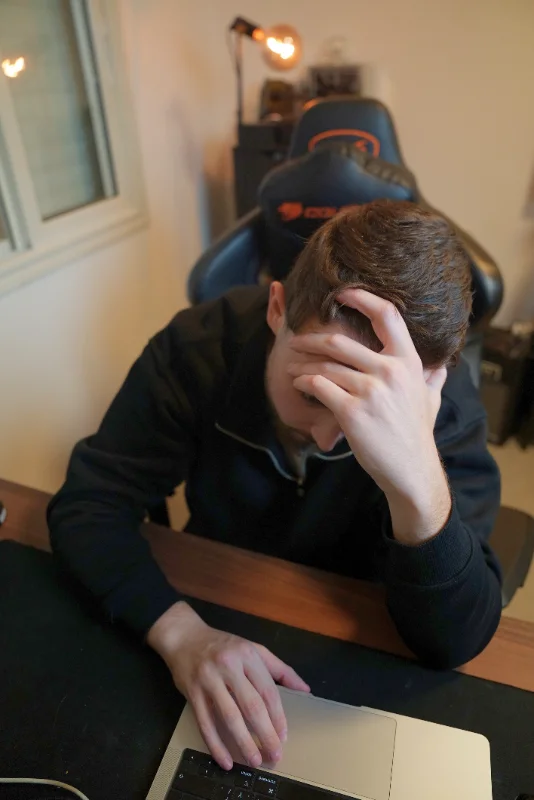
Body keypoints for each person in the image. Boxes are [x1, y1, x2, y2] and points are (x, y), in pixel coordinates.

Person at [48, 200, 502, 772]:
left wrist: (415, 482)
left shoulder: (445, 413)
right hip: (219, 592)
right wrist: (182, 635)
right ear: (277, 307)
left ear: (430, 381)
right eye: (314, 393)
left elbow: (457, 641)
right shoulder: (197, 350)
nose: (329, 437)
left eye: (368, 414)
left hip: (361, 638)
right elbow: (88, 504)